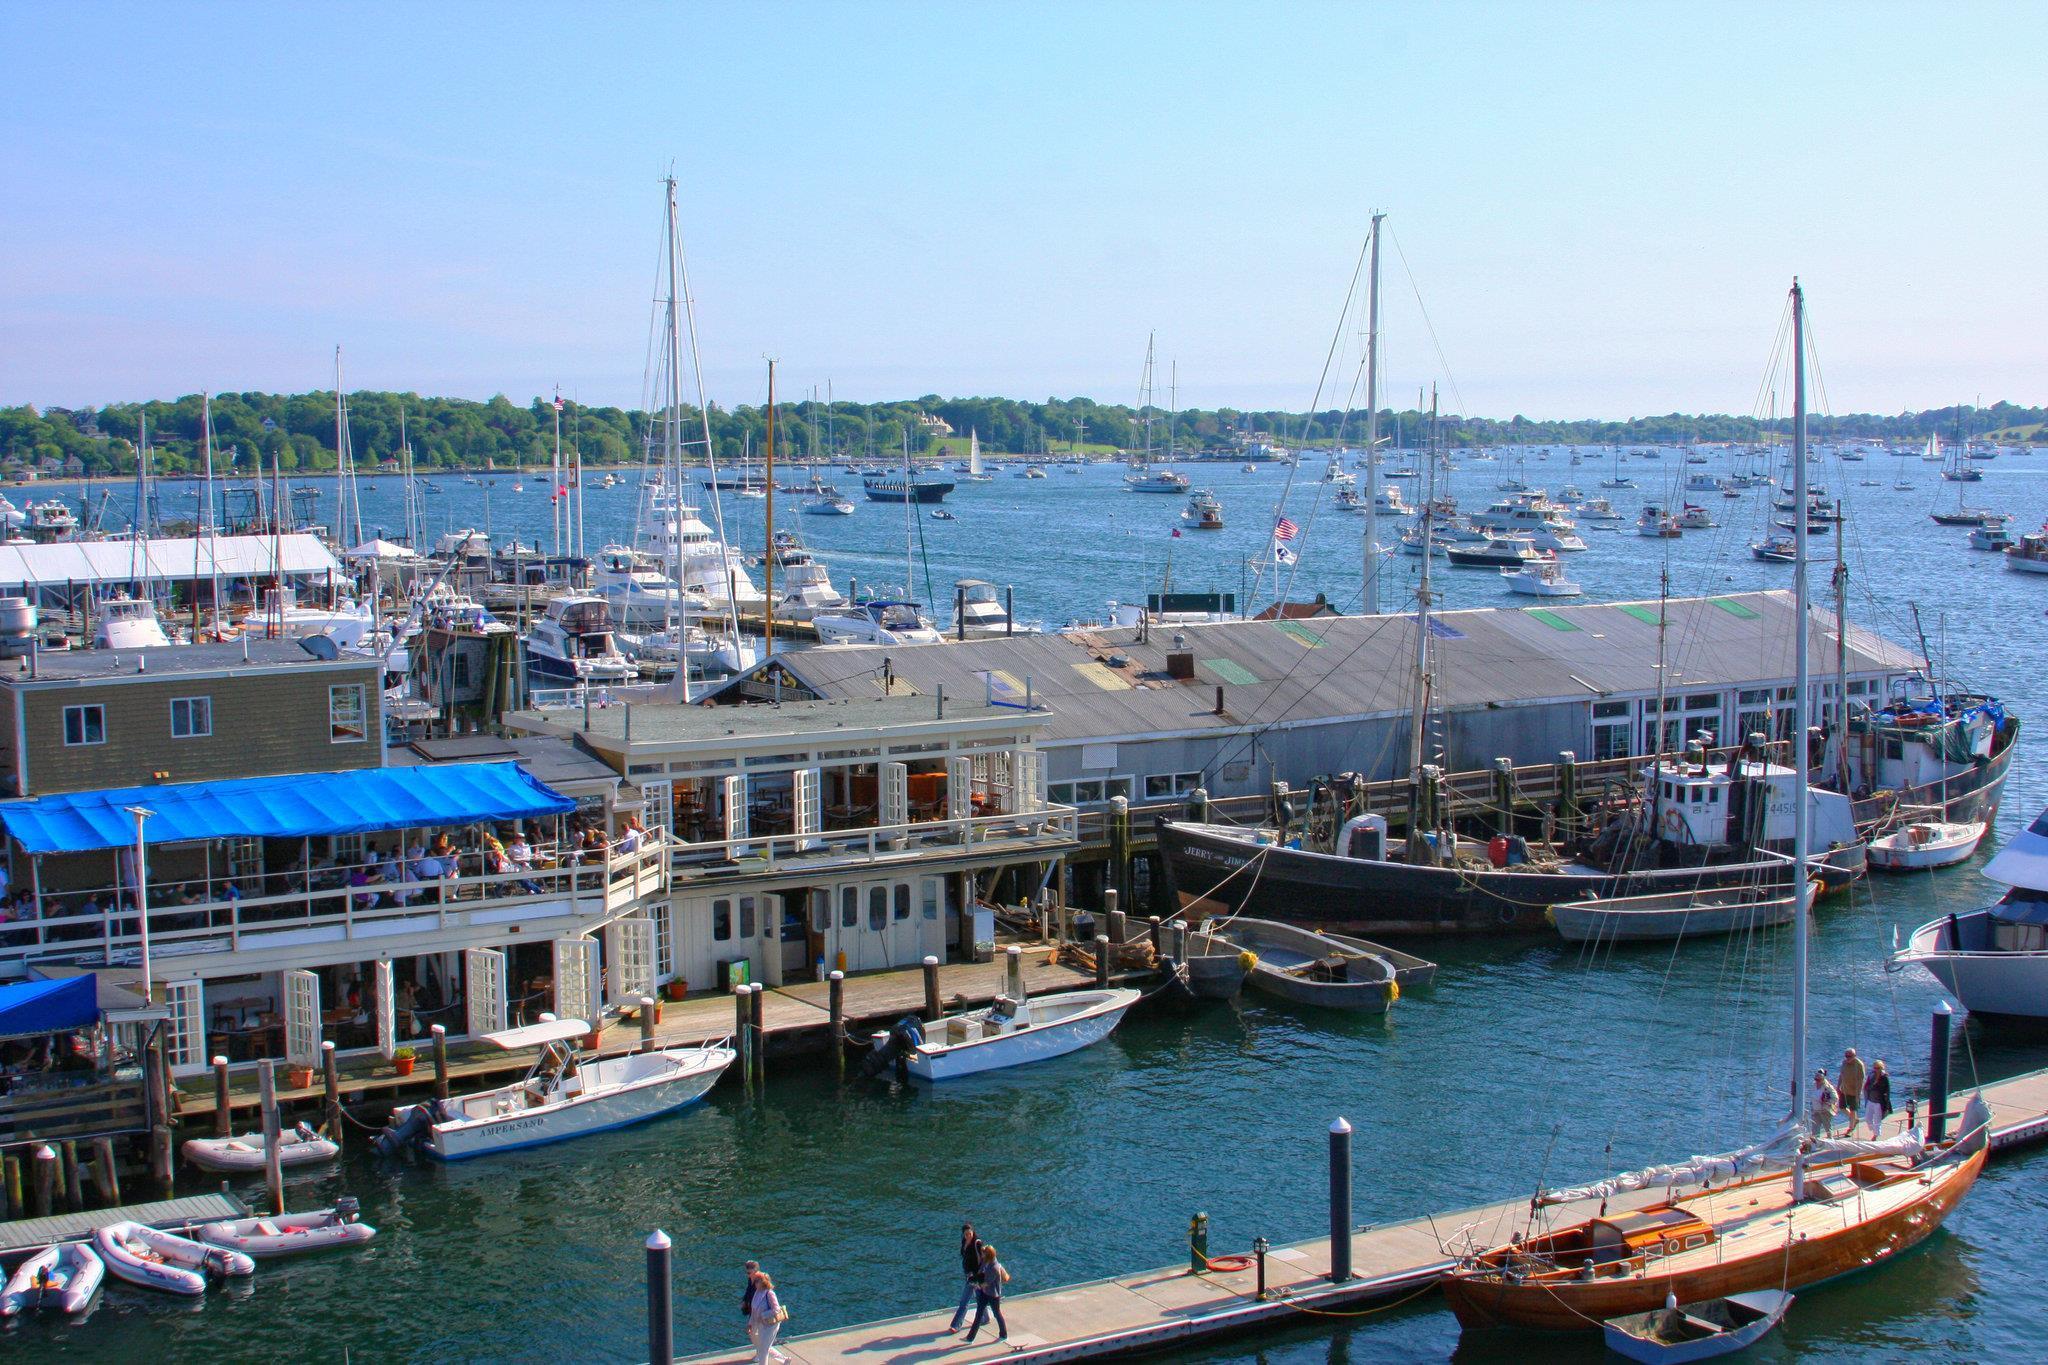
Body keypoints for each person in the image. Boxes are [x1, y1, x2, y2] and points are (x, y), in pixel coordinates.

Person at [961, 1243, 1009, 1344]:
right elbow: (980, 1272)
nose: (981, 1255)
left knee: (997, 1314)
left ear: (988, 1255)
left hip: (993, 1294)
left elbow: (986, 1283)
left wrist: (976, 1285)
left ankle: (1003, 1335)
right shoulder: (986, 1262)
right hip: (984, 1293)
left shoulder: (994, 1268)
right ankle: (970, 1338)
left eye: (983, 1254)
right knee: (978, 1314)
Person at [947, 1222, 985, 1332]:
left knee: (964, 1301)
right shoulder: (964, 1242)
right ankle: (985, 1317)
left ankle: (955, 1325)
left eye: (970, 1233)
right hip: (968, 1275)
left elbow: (983, 1259)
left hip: (975, 1276)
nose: (968, 1236)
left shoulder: (977, 1243)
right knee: (980, 1298)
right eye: (966, 1234)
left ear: (973, 1232)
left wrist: (978, 1274)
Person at [748, 1269, 788, 1364]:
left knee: (763, 1350)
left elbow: (777, 1309)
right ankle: (784, 1360)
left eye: (757, 1281)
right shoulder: (757, 1293)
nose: (755, 1283)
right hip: (760, 1325)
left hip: (770, 1326)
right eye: (755, 1281)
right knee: (763, 1347)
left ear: (763, 1282)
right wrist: (750, 1324)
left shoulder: (769, 1293)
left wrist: (763, 1315)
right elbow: (753, 1310)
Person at [1836, 1048, 1866, 1134]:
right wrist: (1838, 1086)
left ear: (1854, 1056)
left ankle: (1851, 1128)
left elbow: (1861, 1080)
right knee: (1842, 1107)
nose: (1847, 1058)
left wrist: (1858, 1093)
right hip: (1844, 1090)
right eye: (1846, 1056)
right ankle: (1854, 1119)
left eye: (1849, 1056)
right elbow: (1841, 1075)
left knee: (1853, 1110)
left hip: (1854, 1091)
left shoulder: (1859, 1065)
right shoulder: (1844, 1063)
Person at [1862, 1059, 1893, 1138]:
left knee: (1877, 1120)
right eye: (1875, 1068)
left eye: (1878, 1068)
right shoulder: (1871, 1075)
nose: (1876, 1070)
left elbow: (1887, 1091)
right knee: (1868, 1118)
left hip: (1879, 1102)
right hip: (1870, 1100)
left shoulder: (1884, 1078)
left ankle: (1876, 1135)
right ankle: (1874, 1130)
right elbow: (1867, 1086)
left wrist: (1886, 1106)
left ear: (1881, 1068)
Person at [1810, 1069, 1838, 1134]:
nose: (1817, 1081)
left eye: (1818, 1080)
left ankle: (1830, 1142)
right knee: (1815, 1131)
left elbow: (1835, 1098)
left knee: (1828, 1130)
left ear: (1823, 1079)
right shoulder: (1814, 1086)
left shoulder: (1828, 1087)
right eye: (1815, 1079)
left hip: (1825, 1111)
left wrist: (1827, 1102)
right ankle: (1816, 1143)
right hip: (1815, 1111)